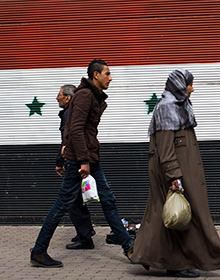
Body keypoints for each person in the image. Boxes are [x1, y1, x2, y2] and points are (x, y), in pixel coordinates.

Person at [30, 59, 133, 268]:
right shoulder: (85, 96)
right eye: (107, 73)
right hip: (81, 160)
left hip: (88, 158)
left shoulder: (91, 96)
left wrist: (77, 156)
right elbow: (75, 129)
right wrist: (82, 161)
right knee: (62, 205)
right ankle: (39, 251)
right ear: (96, 75)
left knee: (108, 201)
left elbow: (74, 129)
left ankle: (129, 246)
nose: (110, 77)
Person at [127, 69, 220, 278]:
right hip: (173, 174)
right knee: (179, 217)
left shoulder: (180, 106)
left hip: (181, 172)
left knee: (163, 217)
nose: (192, 88)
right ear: (180, 86)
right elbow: (164, 149)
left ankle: (146, 254)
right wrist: (174, 176)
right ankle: (178, 264)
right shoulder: (167, 108)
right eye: (190, 84)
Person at [55, 84, 96, 249]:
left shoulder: (68, 115)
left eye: (59, 95)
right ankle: (85, 231)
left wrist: (60, 161)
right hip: (80, 159)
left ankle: (85, 237)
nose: (56, 98)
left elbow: (67, 141)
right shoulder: (71, 114)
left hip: (75, 161)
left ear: (68, 98)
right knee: (78, 199)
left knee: (72, 201)